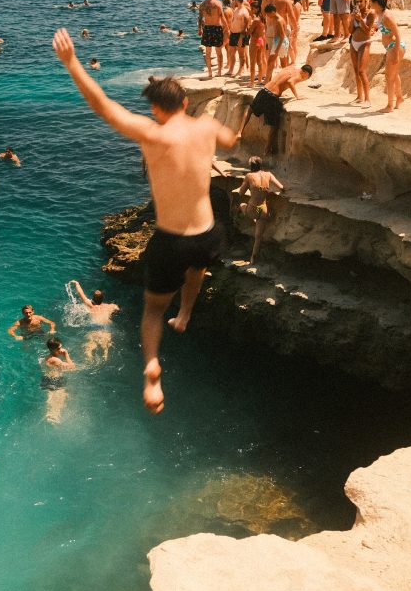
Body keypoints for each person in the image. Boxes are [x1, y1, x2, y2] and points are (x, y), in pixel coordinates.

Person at [52, 28, 236, 414]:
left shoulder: (152, 134)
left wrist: (72, 63)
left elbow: (102, 105)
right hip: (206, 232)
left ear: (155, 109)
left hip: (170, 239)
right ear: (185, 102)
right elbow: (232, 139)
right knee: (199, 264)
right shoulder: (205, 127)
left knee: (153, 310)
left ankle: (152, 367)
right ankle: (185, 313)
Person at [235, 63, 313, 154]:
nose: (305, 79)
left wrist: (281, 91)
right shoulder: (299, 75)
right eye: (307, 76)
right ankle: (267, 149)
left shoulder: (290, 68)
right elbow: (290, 82)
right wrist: (297, 96)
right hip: (272, 97)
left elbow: (280, 79)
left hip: (264, 91)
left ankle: (239, 132)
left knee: (250, 109)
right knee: (274, 126)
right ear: (305, 72)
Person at [236, 156, 284, 263]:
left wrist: (249, 186)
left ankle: (243, 219)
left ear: (251, 166)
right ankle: (253, 258)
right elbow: (281, 187)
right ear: (260, 165)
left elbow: (240, 193)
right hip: (263, 210)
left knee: (241, 205)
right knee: (258, 237)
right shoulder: (268, 174)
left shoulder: (249, 176)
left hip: (252, 209)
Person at [69, 280, 120, 363]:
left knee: (90, 344)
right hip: (105, 327)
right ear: (102, 298)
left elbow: (81, 294)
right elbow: (117, 309)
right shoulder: (111, 306)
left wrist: (77, 283)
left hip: (94, 326)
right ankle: (105, 357)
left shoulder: (91, 305)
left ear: (92, 299)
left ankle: (89, 359)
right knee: (105, 346)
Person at [370, 0, 404, 112]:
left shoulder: (387, 16)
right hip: (391, 47)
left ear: (375, 3)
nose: (369, 3)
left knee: (389, 77)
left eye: (371, 2)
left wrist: (395, 52)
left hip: (394, 46)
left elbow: (397, 34)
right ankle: (399, 97)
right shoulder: (380, 13)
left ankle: (390, 105)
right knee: (394, 75)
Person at [197, 0, 229, 78]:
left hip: (207, 29)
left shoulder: (202, 4)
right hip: (217, 28)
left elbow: (200, 18)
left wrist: (200, 29)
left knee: (208, 52)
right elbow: (222, 17)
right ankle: (219, 72)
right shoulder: (218, 3)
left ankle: (210, 72)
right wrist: (227, 29)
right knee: (219, 51)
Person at [349, 0, 374, 106]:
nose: (359, 4)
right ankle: (359, 96)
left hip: (364, 43)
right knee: (355, 71)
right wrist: (352, 19)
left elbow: (368, 31)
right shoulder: (355, 13)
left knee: (362, 71)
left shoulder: (370, 13)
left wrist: (360, 20)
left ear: (365, 1)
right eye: (357, 2)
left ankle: (367, 99)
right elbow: (350, 31)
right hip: (354, 42)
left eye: (361, 1)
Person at [42, 337, 74, 425]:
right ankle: (53, 418)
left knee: (52, 398)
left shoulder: (48, 357)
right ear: (53, 349)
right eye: (59, 348)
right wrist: (66, 354)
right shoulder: (56, 360)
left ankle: (51, 415)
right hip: (56, 380)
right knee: (60, 400)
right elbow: (72, 367)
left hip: (47, 379)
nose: (61, 350)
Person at [263, 4, 289, 82]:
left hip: (280, 42)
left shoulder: (279, 20)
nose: (268, 16)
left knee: (282, 63)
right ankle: (268, 80)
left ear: (273, 12)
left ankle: (285, 79)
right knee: (273, 61)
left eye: (268, 14)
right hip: (277, 41)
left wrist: (277, 49)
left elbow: (282, 35)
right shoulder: (275, 18)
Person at [228, 0, 251, 77]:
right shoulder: (236, 9)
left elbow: (245, 27)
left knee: (241, 54)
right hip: (233, 33)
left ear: (236, 0)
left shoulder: (244, 12)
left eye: (233, 0)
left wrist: (241, 38)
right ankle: (231, 69)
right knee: (232, 52)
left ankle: (240, 71)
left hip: (240, 34)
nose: (232, 1)